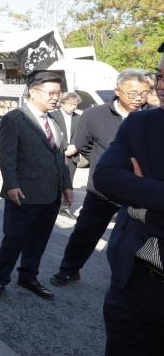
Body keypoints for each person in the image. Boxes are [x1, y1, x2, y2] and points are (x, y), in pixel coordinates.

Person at [50, 68, 152, 287]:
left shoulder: (151, 117)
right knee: (85, 233)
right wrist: (103, 165)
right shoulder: (94, 115)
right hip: (102, 191)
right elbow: (84, 146)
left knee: (138, 239)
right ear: (117, 90)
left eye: (144, 93)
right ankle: (69, 269)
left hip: (140, 193)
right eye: (132, 93)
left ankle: (132, 282)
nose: (138, 99)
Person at [94, 42, 164, 355]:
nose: (161, 87)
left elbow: (129, 191)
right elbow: (106, 177)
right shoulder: (141, 124)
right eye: (159, 76)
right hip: (135, 286)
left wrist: (142, 205)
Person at [0, 71, 73, 302]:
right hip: (23, 193)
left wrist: (67, 185)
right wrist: (12, 185)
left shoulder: (54, 120)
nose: (56, 97)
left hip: (51, 194)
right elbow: (7, 155)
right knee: (14, 239)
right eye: (51, 93)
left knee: (39, 239)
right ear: (34, 91)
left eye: (59, 93)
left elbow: (59, 157)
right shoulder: (15, 118)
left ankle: (28, 276)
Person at [50, 91, 82, 219]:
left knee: (68, 180)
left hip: (72, 154)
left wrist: (74, 146)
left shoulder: (78, 117)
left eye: (75, 104)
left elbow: (82, 134)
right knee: (54, 180)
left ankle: (64, 207)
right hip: (57, 152)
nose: (73, 107)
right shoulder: (53, 116)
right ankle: (52, 204)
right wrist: (64, 147)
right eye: (70, 104)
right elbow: (53, 132)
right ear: (62, 103)